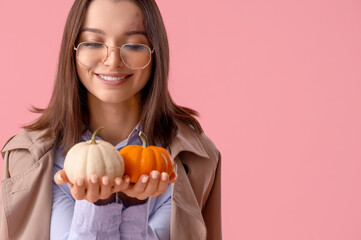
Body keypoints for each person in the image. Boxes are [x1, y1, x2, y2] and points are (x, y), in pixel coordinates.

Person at [0, 0, 222, 239]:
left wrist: (134, 204)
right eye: (94, 42)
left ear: (155, 51)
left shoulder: (198, 158)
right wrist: (98, 207)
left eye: (134, 45)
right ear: (73, 50)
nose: (113, 60)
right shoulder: (26, 159)